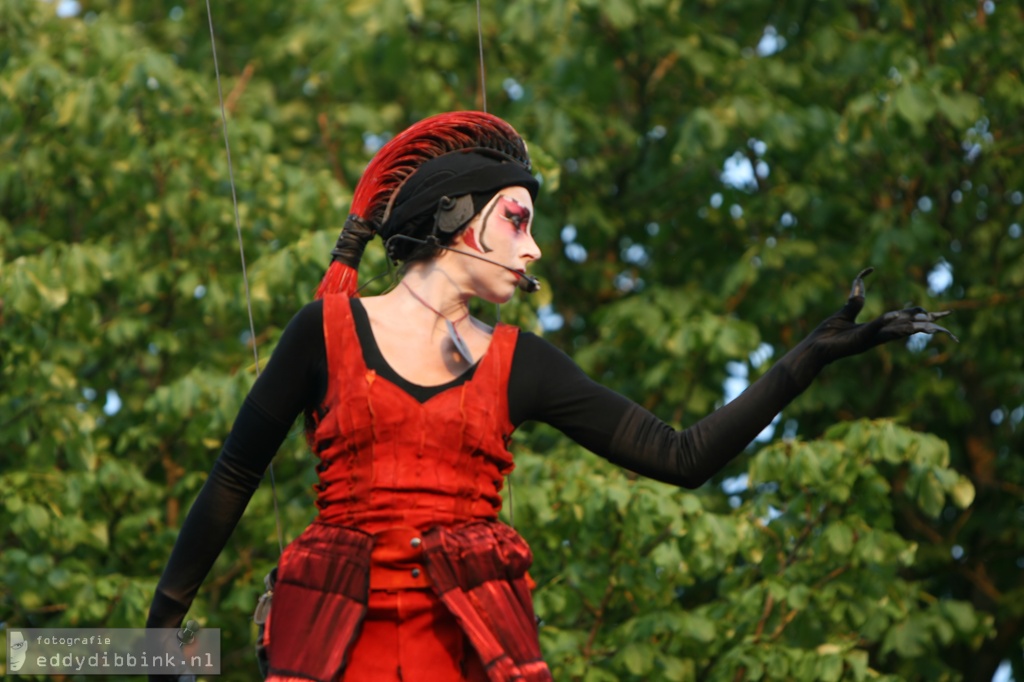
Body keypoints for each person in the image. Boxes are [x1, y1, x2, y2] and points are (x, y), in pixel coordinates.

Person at [146, 111, 954, 682]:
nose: (533, 248)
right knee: (44, 653)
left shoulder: (519, 364)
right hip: (332, 640)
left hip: (469, 646)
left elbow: (681, 456)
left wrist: (808, 357)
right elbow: (232, 479)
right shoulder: (321, 333)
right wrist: (159, 636)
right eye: (519, 219)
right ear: (459, 218)